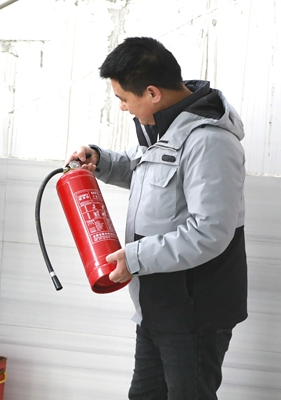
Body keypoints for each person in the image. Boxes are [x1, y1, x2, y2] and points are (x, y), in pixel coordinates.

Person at [67, 37, 247, 399]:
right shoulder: (166, 126)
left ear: (152, 93)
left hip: (194, 311)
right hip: (158, 303)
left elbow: (210, 232)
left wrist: (135, 257)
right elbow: (146, 170)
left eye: (123, 98)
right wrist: (101, 161)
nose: (122, 107)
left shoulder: (209, 141)